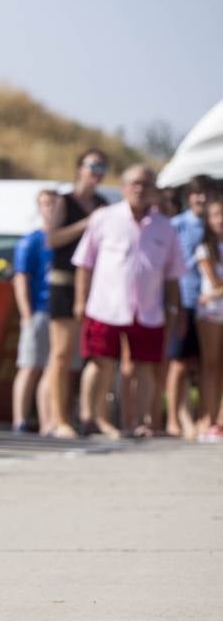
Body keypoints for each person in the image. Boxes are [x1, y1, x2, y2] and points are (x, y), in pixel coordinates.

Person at [72, 164, 185, 439]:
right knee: (100, 363)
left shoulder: (165, 227)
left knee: (145, 367)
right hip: (105, 306)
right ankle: (91, 417)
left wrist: (174, 309)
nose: (139, 189)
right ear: (123, 187)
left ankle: (142, 421)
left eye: (146, 184)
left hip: (147, 310)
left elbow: (173, 275)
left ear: (154, 190)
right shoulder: (104, 218)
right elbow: (84, 263)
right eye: (134, 183)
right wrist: (80, 300)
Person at [43, 149, 111, 438]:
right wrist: (87, 223)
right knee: (61, 353)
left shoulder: (103, 204)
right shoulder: (65, 201)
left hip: (96, 285)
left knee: (99, 354)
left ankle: (92, 416)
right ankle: (59, 419)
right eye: (92, 165)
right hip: (64, 282)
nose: (97, 171)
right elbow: (52, 238)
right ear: (79, 168)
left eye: (102, 166)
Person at [165, 176, 212, 437]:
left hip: (211, 305)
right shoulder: (177, 225)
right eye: (196, 194)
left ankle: (205, 418)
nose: (201, 198)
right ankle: (173, 419)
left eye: (205, 193)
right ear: (188, 197)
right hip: (184, 301)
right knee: (180, 363)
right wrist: (177, 306)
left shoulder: (214, 225)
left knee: (207, 364)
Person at [13, 190, 57, 433]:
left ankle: (47, 422)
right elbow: (21, 279)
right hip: (37, 311)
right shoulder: (31, 240)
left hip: (58, 313)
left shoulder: (63, 239)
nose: (50, 208)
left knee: (52, 368)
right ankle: (19, 419)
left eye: (54, 204)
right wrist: (26, 314)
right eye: (45, 204)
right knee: (29, 366)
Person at [191, 194, 223, 440]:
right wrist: (215, 293)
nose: (220, 220)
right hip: (212, 313)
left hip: (213, 302)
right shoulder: (205, 249)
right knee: (210, 366)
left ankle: (219, 420)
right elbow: (216, 284)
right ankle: (208, 418)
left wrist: (215, 293)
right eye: (216, 215)